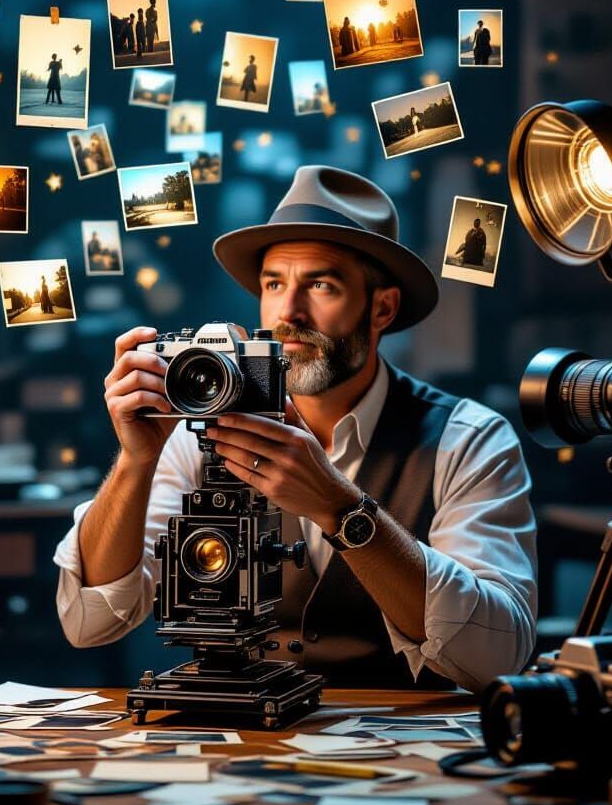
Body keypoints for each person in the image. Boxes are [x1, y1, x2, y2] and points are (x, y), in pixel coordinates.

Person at [55, 165, 537, 692]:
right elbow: (90, 623)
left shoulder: (467, 438)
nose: (288, 311)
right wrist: (136, 461)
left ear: (382, 307)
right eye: (273, 284)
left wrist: (341, 508)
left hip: (396, 747)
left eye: (321, 284)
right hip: (235, 743)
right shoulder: (202, 430)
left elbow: (499, 656)